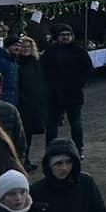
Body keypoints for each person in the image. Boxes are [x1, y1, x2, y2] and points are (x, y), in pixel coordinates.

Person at [40, 26, 92, 156]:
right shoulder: (50, 51)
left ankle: (79, 149)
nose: (66, 37)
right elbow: (42, 70)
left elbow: (88, 68)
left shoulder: (79, 51)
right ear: (58, 36)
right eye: (63, 34)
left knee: (76, 123)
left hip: (73, 93)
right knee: (52, 125)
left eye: (68, 34)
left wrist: (80, 83)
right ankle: (50, 150)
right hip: (54, 94)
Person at [15, 37, 46, 169]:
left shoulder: (36, 62)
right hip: (21, 102)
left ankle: (25, 159)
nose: (26, 49)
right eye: (23, 47)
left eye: (28, 47)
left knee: (28, 134)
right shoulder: (16, 63)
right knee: (21, 133)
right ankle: (21, 160)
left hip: (34, 102)